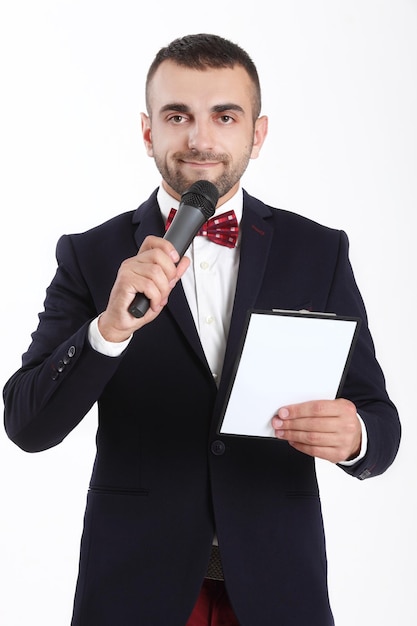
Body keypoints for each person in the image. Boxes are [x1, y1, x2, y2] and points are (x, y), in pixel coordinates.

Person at [3, 33, 400, 626]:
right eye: (177, 115)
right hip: (136, 589)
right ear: (148, 133)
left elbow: (380, 418)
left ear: (256, 134)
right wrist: (109, 329)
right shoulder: (90, 255)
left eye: (224, 115)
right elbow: (27, 424)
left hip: (278, 587)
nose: (201, 138)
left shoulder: (318, 252)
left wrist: (358, 434)